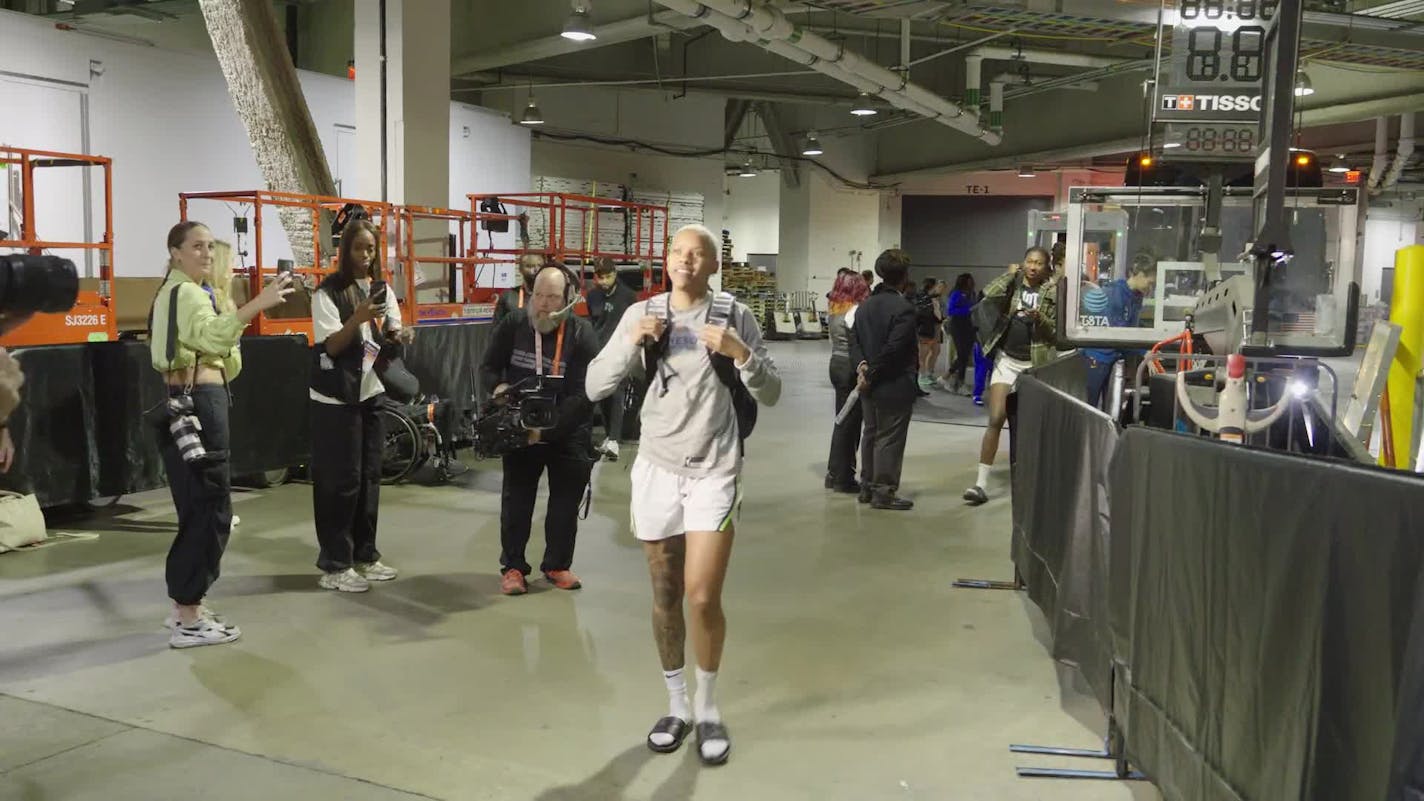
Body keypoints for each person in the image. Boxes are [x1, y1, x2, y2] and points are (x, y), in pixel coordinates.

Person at [585, 223, 781, 766]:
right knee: (666, 591)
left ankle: (708, 706)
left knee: (701, 595)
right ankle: (676, 705)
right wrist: (630, 343)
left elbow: (773, 390)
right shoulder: (641, 314)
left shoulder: (735, 314)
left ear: (713, 266)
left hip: (715, 471)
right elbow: (593, 386)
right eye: (677, 252)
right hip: (656, 469)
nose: (686, 261)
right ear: (665, 260)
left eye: (698, 255)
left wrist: (742, 355)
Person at [149, 220, 294, 647]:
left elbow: (228, 359)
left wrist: (228, 318)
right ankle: (190, 612)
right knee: (211, 508)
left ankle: (185, 607)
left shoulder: (180, 293)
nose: (206, 254)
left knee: (200, 507)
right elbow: (216, 341)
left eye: (210, 246)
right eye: (197, 246)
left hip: (191, 401)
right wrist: (253, 307)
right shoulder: (188, 294)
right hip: (199, 404)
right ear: (176, 251)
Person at [480, 264, 599, 595]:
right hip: (520, 424)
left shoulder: (581, 334)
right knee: (516, 499)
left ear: (568, 299)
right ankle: (514, 567)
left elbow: (584, 395)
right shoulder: (514, 324)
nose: (544, 304)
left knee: (564, 502)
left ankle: (557, 565)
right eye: (539, 296)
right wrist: (498, 386)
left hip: (567, 427)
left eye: (553, 297)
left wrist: (545, 433)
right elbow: (488, 366)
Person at [309, 219, 413, 593]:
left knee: (369, 476)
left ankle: (365, 555)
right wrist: (358, 317)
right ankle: (335, 564)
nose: (366, 256)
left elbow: (388, 333)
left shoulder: (382, 289)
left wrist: (400, 333)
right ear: (345, 251)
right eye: (359, 248)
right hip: (336, 398)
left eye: (371, 249)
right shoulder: (327, 292)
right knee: (341, 481)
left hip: (371, 391)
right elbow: (332, 347)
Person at [963, 246, 1058, 506]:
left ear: (1046, 266)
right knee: (995, 418)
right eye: (1029, 261)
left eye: (1039, 263)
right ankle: (980, 484)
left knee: (1029, 427)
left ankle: (1031, 483)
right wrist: (1010, 275)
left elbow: (1055, 334)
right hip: (1007, 360)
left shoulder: (1052, 291)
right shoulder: (1012, 284)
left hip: (1034, 363)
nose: (1033, 267)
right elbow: (987, 294)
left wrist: (1039, 319)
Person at [849, 249, 918, 511]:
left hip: (869, 382)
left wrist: (863, 368)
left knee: (871, 433)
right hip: (894, 383)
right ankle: (884, 492)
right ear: (904, 277)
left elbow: (853, 339)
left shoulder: (864, 305)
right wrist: (873, 372)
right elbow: (894, 348)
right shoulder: (903, 308)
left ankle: (867, 486)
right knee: (889, 437)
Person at [1079, 257, 1155, 411]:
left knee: (1111, 406)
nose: (1151, 288)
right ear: (1139, 274)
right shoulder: (1114, 294)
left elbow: (1132, 328)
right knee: (1090, 405)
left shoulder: (1136, 297)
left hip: (1115, 357)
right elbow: (1119, 332)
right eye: (1150, 282)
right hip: (1097, 357)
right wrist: (1143, 352)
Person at [586, 257, 638, 460]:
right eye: (601, 277)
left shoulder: (627, 296)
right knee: (602, 394)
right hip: (599, 352)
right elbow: (594, 322)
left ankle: (615, 440)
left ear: (615, 274)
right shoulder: (593, 296)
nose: (605, 280)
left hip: (620, 351)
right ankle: (609, 435)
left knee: (617, 392)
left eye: (608, 276)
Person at [825, 271, 869, 493]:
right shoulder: (854, 311)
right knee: (850, 424)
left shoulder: (834, 308)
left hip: (835, 363)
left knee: (841, 420)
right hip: (850, 367)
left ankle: (834, 473)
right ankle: (844, 478)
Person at [944, 273, 977, 395]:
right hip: (958, 326)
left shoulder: (971, 294)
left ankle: (957, 381)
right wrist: (969, 310)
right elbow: (951, 310)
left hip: (969, 327)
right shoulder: (956, 293)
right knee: (962, 355)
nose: (972, 282)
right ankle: (949, 377)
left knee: (965, 356)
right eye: (969, 280)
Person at [492, 253, 546, 324]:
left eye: (539, 266)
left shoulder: (553, 296)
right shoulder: (508, 297)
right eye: (529, 266)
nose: (535, 269)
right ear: (520, 269)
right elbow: (496, 332)